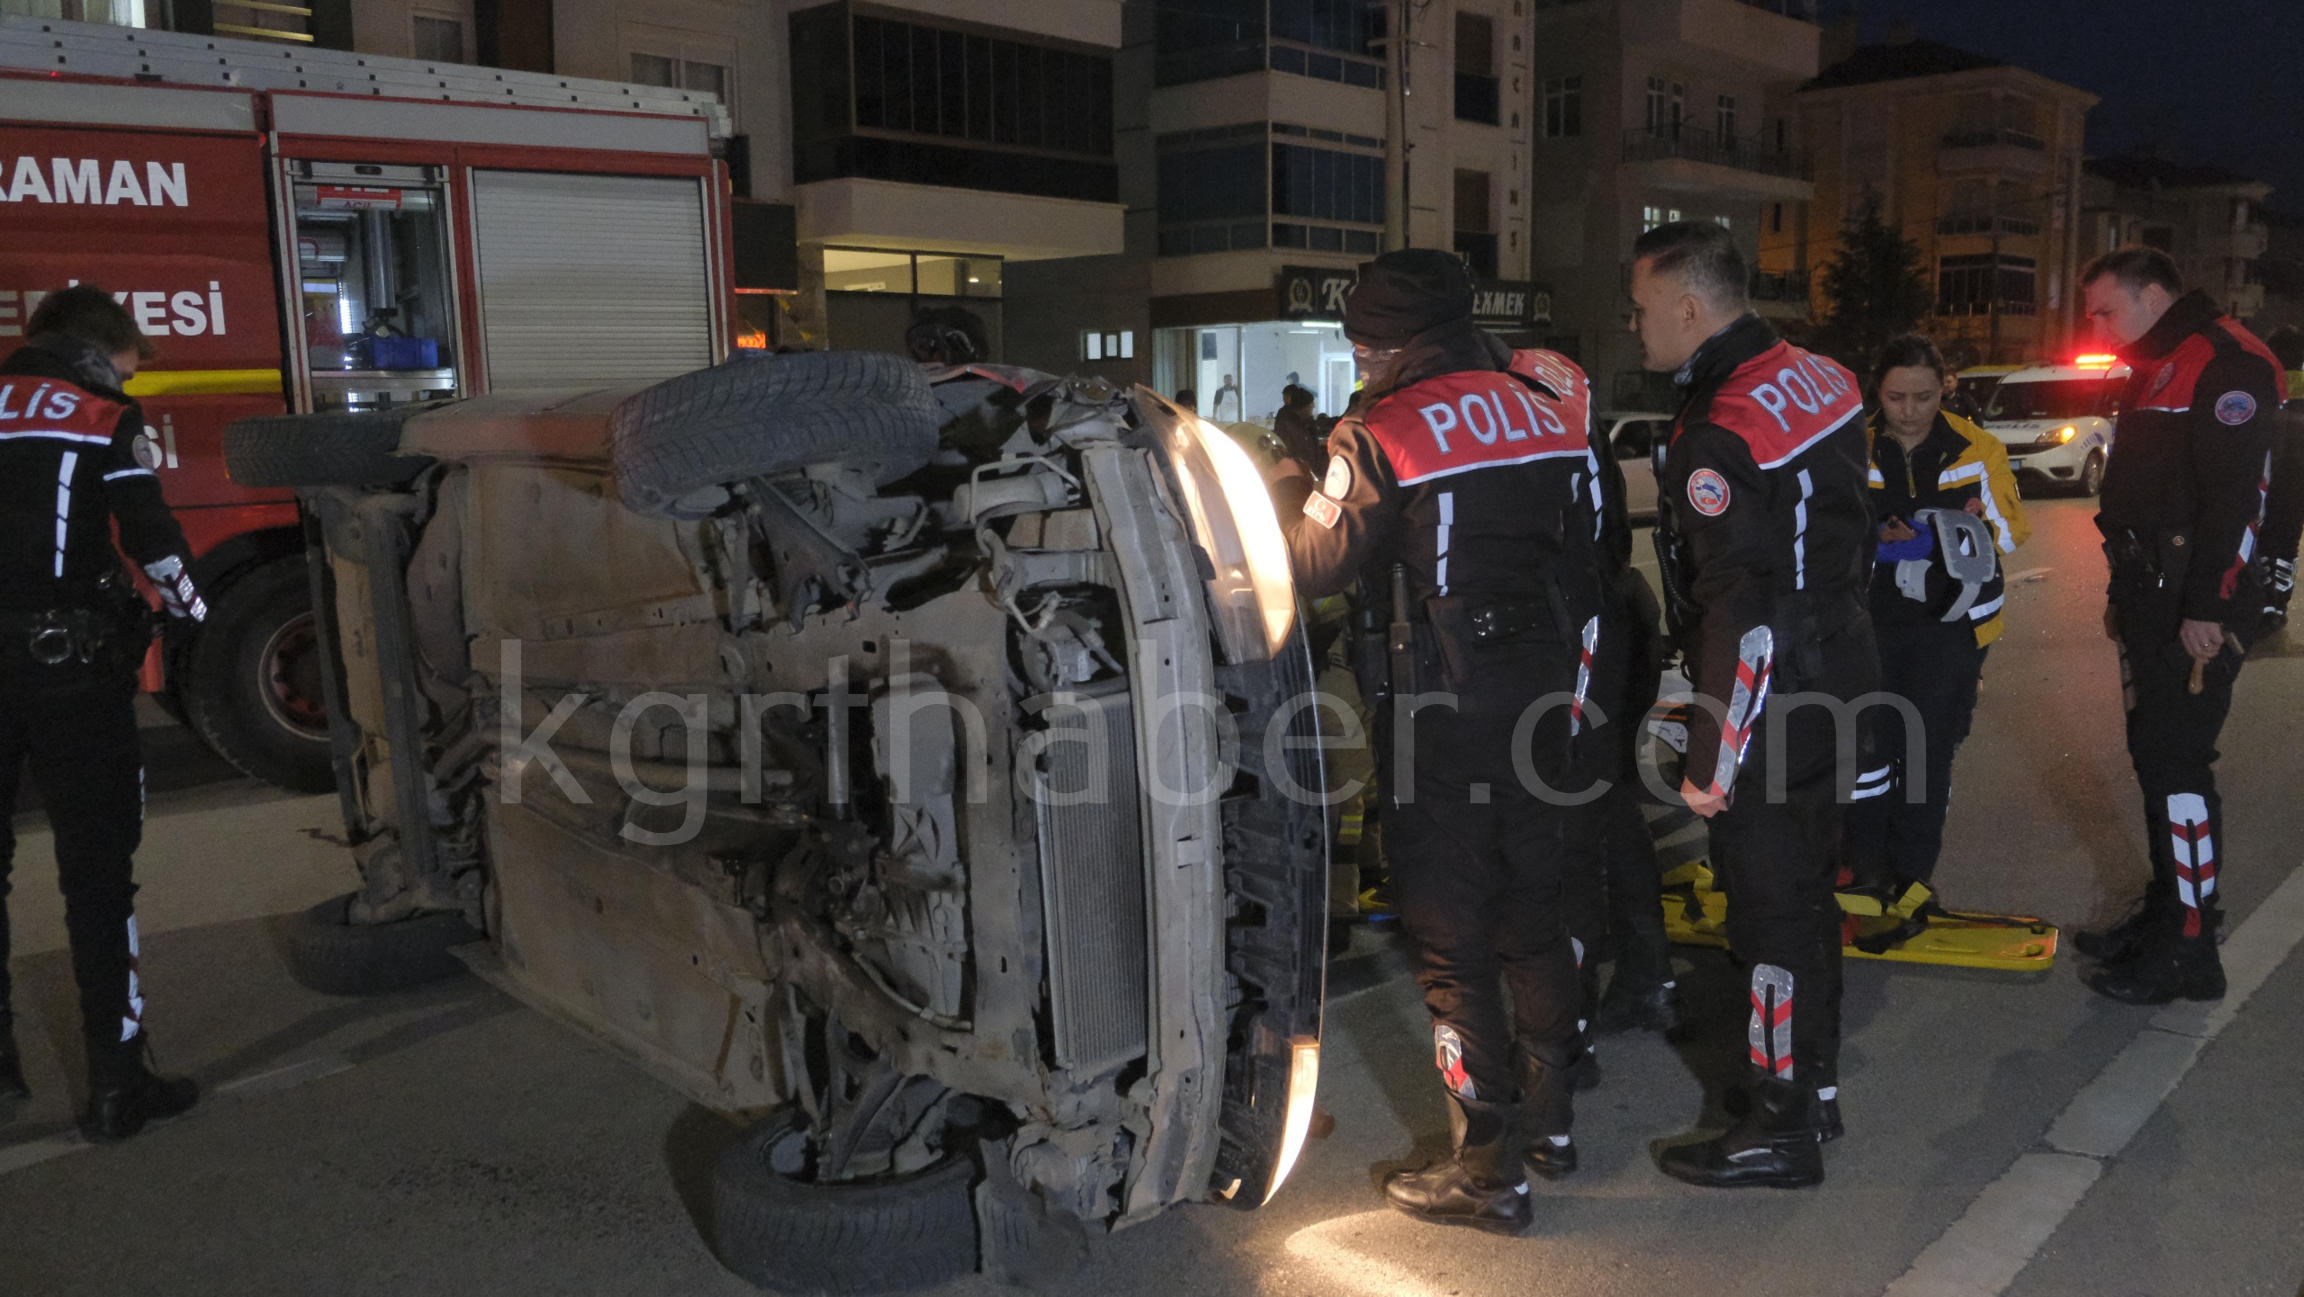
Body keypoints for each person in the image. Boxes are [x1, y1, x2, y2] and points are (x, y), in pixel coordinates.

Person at [1282, 249, 1613, 1234]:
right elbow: (1585, 550)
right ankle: (1551, 1125)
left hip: (1440, 713)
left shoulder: (1381, 428)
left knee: (1449, 935)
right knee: (1535, 908)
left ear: (1380, 342)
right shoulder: (1542, 406)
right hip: (1547, 698)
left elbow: (1318, 564)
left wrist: (1292, 486)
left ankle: (1486, 1169)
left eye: (1361, 344)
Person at [1628, 221, 1876, 1188]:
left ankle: (1779, 1124)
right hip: (1842, 671)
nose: (1636, 325)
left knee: (1768, 918)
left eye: (1644, 309)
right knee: (1809, 897)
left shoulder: (1719, 429)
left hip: (1774, 701)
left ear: (1690, 307)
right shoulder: (1822, 376)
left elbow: (1744, 610)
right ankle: (1809, 1086)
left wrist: (1709, 760)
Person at [0, 285, 206, 1139]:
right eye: (126, 366)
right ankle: (117, 1085)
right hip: (70, 676)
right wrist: (199, 614)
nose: (129, 382)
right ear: (95, 355)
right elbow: (151, 538)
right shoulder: (99, 417)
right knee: (97, 874)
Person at [2071, 249, 2284, 1004]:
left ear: (2154, 294)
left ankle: (2191, 943)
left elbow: (2242, 497)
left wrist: (2211, 607)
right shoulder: (2163, 361)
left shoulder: (2226, 362)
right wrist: (2123, 596)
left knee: (2180, 770)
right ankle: (2169, 911)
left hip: (2192, 603)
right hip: (2149, 593)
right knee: (2155, 761)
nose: (2096, 323)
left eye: (2105, 309)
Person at [1844, 334, 2029, 902]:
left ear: (1944, 388)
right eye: (1897, 397)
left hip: (1950, 628)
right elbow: (1826, 526)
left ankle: (1913, 878)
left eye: (1923, 397)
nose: (1910, 410)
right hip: (1867, 625)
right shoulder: (1853, 445)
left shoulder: (1977, 448)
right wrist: (1878, 541)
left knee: (1925, 756)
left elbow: (2010, 531)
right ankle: (1864, 870)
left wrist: (1930, 538)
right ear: (1878, 391)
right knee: (1866, 754)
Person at [2257, 325, 2303, 630]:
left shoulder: (2263, 384)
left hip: (2264, 476)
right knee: (2286, 543)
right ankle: (2277, 604)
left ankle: (2261, 600)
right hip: (2295, 481)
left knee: (2260, 541)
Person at [1272, 382, 1323, 469]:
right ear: (1304, 406)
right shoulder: (1290, 423)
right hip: (1299, 470)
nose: (1313, 406)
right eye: (1311, 404)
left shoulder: (1306, 422)